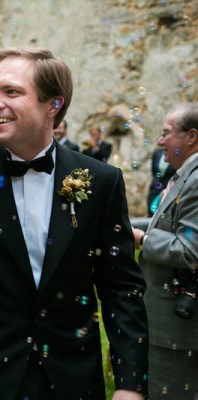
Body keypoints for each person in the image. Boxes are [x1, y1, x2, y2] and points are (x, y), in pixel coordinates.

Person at [0, 47, 148, 400]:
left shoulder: (100, 181)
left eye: (11, 92)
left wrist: (130, 384)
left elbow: (121, 287)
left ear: (53, 105)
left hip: (72, 380)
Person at [132, 103, 198, 400]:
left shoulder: (196, 181)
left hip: (176, 324)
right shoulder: (184, 175)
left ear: (192, 137)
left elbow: (190, 251)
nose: (160, 141)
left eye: (166, 133)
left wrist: (143, 240)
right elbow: (168, 223)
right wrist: (121, 223)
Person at [146, 147, 176, 217]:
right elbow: (154, 171)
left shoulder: (176, 155)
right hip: (154, 190)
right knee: (151, 214)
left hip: (168, 190)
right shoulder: (157, 153)